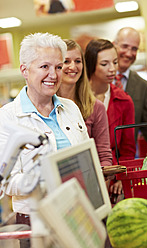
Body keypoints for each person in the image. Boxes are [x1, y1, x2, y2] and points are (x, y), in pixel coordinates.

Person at [0, 32, 89, 239]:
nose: (54, 74)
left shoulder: (71, 108)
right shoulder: (6, 118)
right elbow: (6, 182)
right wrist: (46, 178)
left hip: (79, 210)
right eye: (44, 67)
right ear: (24, 70)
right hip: (36, 220)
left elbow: (85, 158)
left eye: (58, 67)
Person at [57, 39, 113, 168]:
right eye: (66, 61)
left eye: (78, 61)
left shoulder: (96, 107)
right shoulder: (46, 106)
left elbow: (104, 155)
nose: (73, 67)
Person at [85, 38, 136, 165]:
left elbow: (128, 149)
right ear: (91, 65)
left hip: (113, 171)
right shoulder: (74, 99)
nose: (112, 69)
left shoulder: (124, 101)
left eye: (115, 62)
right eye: (104, 64)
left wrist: (120, 176)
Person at [114, 27, 147, 147]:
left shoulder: (143, 86)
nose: (129, 53)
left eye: (134, 49)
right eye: (124, 46)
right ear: (114, 45)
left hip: (127, 157)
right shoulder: (96, 78)